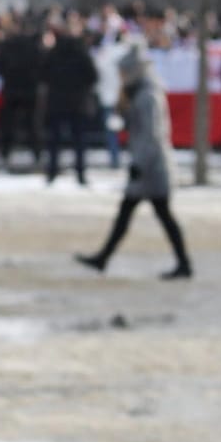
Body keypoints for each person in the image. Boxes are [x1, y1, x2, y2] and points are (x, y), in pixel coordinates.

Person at [74, 42, 191, 279]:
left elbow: (151, 134)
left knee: (156, 214)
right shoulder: (140, 93)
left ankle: (182, 264)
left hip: (151, 167)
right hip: (148, 165)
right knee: (137, 213)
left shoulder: (148, 96)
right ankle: (104, 257)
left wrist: (140, 164)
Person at [42, 18, 98, 186]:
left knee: (54, 141)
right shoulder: (82, 53)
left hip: (57, 102)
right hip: (78, 102)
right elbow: (93, 76)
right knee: (79, 141)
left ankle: (52, 173)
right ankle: (80, 173)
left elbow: (43, 75)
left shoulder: (53, 53)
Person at [0, 21, 43, 167]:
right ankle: (36, 152)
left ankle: (5, 152)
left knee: (8, 124)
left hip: (11, 89)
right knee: (32, 124)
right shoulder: (34, 47)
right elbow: (41, 66)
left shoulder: (7, 46)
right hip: (29, 90)